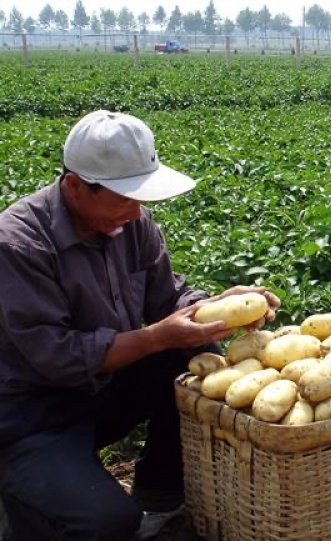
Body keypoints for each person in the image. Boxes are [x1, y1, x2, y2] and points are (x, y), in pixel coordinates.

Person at [0, 110, 281, 541]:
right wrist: (156, 335)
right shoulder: (18, 243)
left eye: (140, 197)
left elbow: (169, 299)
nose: (136, 212)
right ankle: (30, 501)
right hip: (31, 416)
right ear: (75, 186)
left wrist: (220, 308)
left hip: (102, 392)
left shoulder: (131, 224)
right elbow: (59, 358)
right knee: (107, 524)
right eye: (123, 198)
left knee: (189, 354)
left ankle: (159, 494)